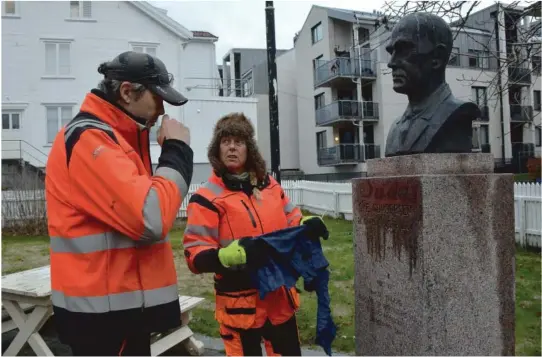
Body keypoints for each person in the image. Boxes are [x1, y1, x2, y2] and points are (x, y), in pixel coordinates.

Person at [45, 51, 193, 356]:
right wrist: (177, 151)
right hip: (103, 320)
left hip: (116, 311)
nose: (162, 109)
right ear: (127, 92)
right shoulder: (90, 140)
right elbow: (150, 217)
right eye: (157, 98)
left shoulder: (114, 139)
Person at [183, 113, 329, 356]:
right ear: (216, 149)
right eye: (225, 141)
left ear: (248, 148)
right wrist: (228, 256)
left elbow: (291, 218)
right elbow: (193, 255)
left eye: (238, 141)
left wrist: (306, 223)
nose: (231, 147)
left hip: (279, 300)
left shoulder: (269, 186)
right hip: (240, 306)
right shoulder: (206, 198)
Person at [384, 12, 480, 157]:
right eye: (391, 52)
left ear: (437, 57)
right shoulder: (395, 128)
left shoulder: (457, 114)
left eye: (403, 51)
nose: (391, 63)